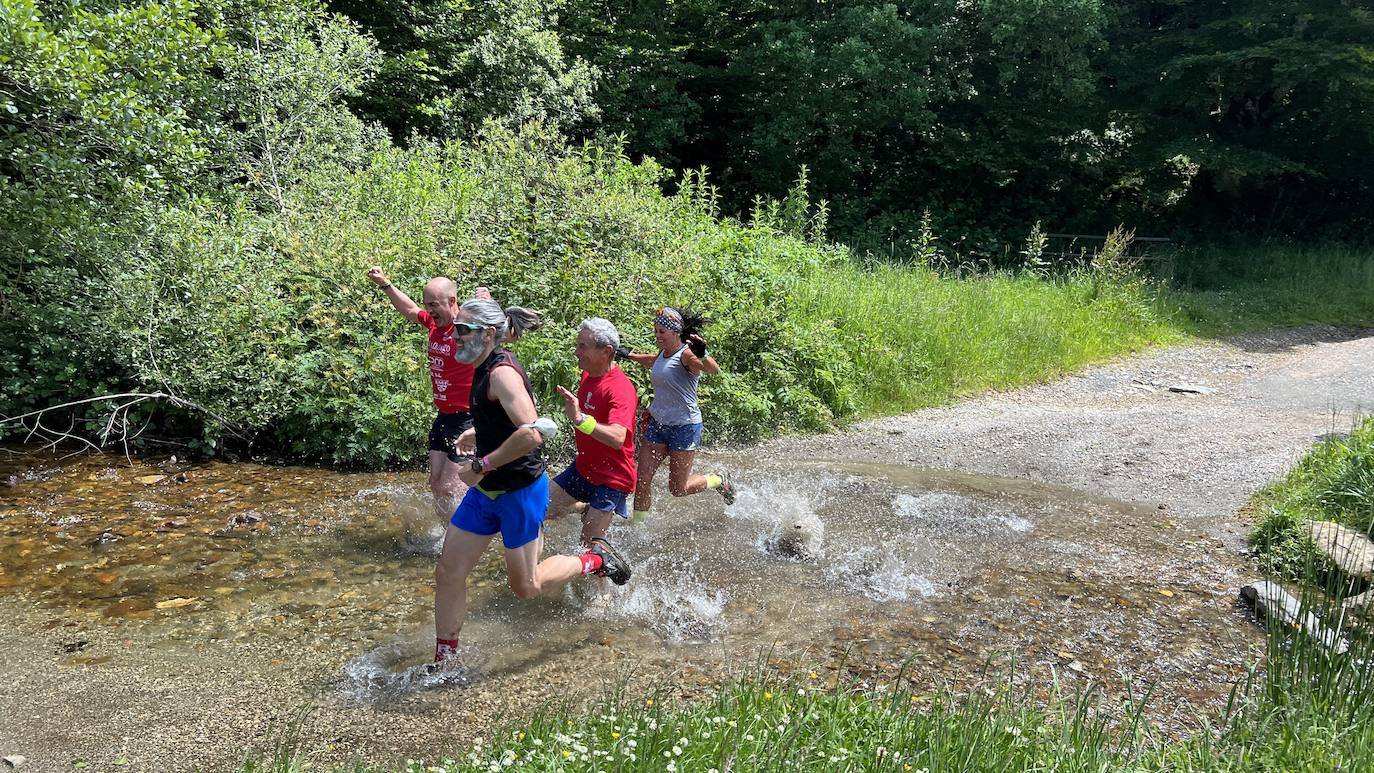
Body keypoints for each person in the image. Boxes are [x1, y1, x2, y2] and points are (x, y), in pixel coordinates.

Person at [433, 299, 631, 667]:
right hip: (486, 492)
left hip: (519, 492)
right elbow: (509, 421)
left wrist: (482, 464)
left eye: (463, 330)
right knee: (448, 571)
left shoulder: (501, 373)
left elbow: (534, 432)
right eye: (455, 328)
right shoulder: (481, 366)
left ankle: (593, 559)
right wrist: (482, 431)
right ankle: (446, 661)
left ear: (488, 335)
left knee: (527, 587)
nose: (454, 336)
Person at [366, 267, 498, 542]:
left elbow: (499, 332)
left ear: (452, 302)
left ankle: (467, 537)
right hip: (444, 416)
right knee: (436, 484)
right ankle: (451, 534)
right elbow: (410, 310)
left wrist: (488, 304)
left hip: (467, 418)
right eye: (428, 305)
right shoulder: (434, 324)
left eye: (435, 305)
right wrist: (386, 284)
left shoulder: (465, 327)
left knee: (452, 486)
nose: (430, 311)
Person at [622, 306, 734, 522]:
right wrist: (629, 355)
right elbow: (651, 361)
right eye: (655, 331)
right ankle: (637, 528)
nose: (657, 336)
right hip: (658, 424)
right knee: (643, 478)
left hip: (684, 427)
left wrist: (704, 354)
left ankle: (718, 480)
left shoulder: (687, 356)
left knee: (678, 488)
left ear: (675, 332)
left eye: (662, 332)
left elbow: (712, 369)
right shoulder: (663, 354)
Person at [547, 319, 638, 546]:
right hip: (583, 469)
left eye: (583, 347)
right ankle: (582, 506)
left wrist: (580, 420)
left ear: (606, 351)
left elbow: (618, 438)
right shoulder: (588, 374)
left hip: (612, 479)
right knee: (535, 510)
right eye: (578, 345)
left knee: (587, 548)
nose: (577, 352)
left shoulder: (621, 389)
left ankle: (614, 574)